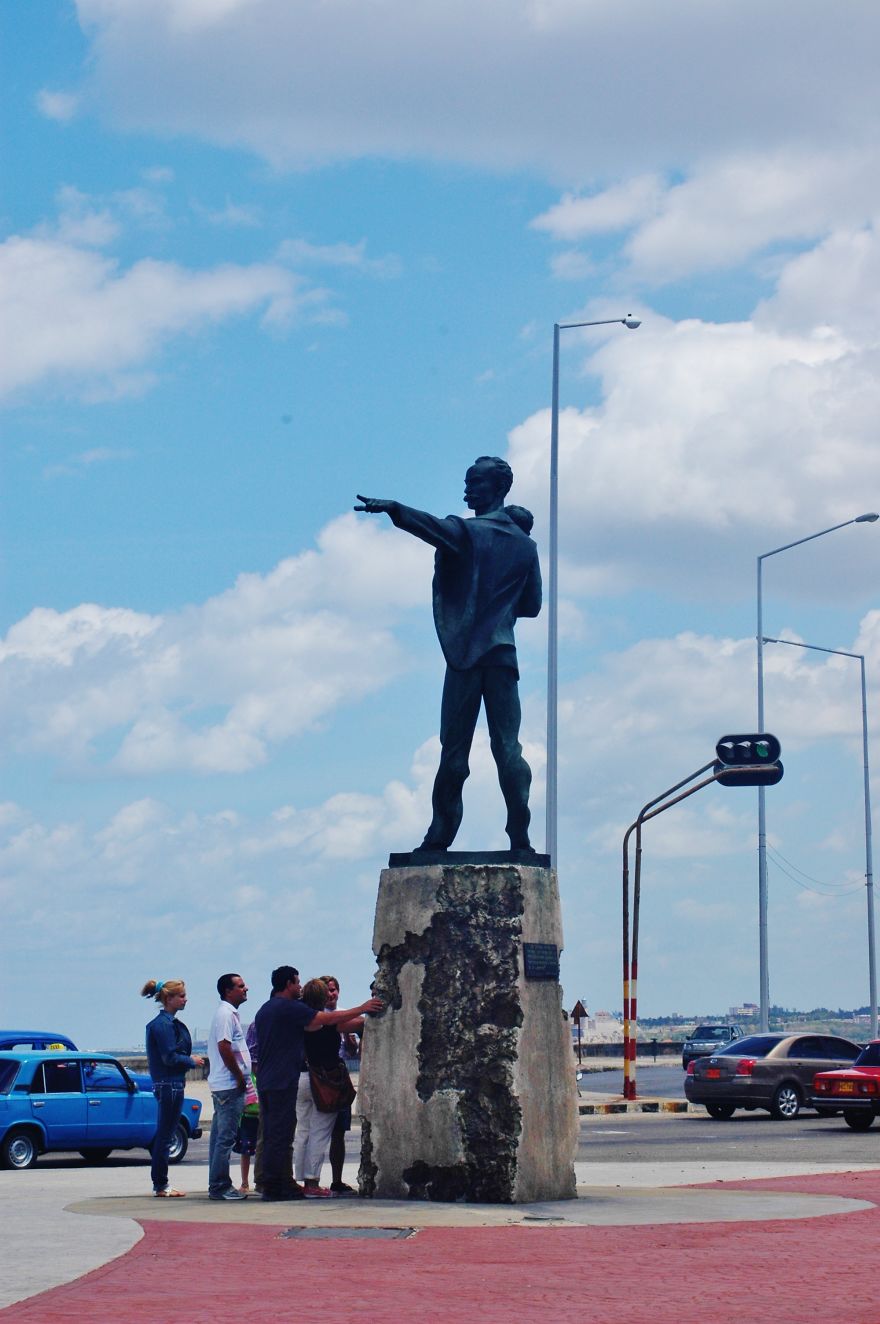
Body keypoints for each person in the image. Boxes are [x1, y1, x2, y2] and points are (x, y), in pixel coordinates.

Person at [355, 456, 541, 852]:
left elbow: (432, 528)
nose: (467, 490)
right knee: (508, 747)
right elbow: (533, 605)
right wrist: (500, 609)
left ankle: (439, 835)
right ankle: (520, 834)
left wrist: (395, 509)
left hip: (466, 656)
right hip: (503, 652)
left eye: (475, 482)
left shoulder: (469, 532)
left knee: (454, 749)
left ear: (497, 488)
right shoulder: (526, 547)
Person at [254, 965, 382, 1202]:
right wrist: (363, 1008)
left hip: (271, 1079)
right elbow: (326, 1018)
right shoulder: (289, 1009)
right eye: (296, 981)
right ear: (289, 984)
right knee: (289, 1134)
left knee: (283, 1134)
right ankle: (282, 1184)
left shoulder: (266, 1009)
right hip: (285, 1080)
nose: (299, 986)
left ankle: (278, 1181)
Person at [141, 978, 204, 1198]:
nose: (185, 999)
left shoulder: (163, 1024)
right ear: (169, 998)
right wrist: (191, 1060)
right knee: (165, 1135)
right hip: (170, 1085)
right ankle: (161, 1184)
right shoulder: (164, 1025)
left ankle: (161, 1182)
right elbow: (169, 1057)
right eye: (182, 996)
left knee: (165, 1134)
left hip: (168, 1084)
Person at [207, 972, 250, 1201]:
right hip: (229, 1086)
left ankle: (216, 1182)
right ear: (228, 991)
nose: (246, 989)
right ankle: (220, 1186)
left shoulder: (230, 1014)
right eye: (241, 986)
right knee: (226, 1138)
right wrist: (239, 1077)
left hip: (225, 1084)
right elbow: (224, 1047)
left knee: (219, 1138)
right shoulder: (225, 1014)